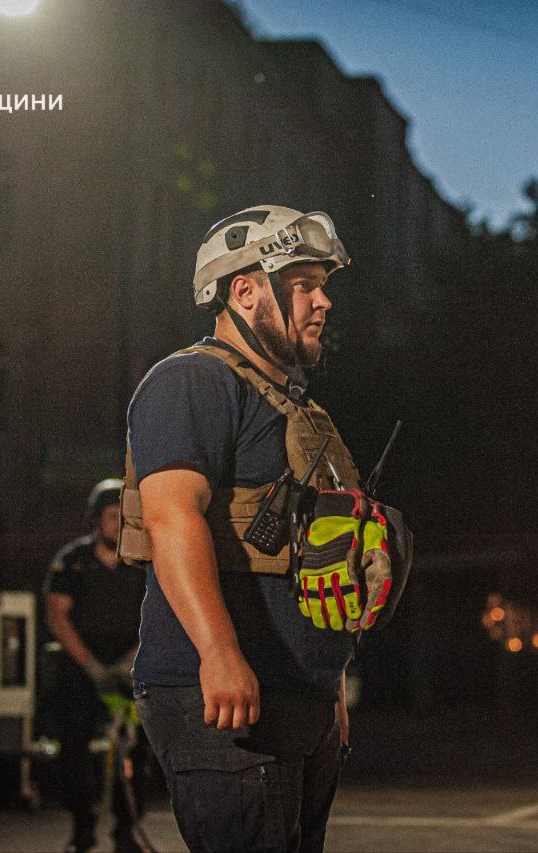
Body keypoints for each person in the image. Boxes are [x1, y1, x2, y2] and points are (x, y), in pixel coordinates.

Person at [123, 205, 386, 852]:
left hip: (298, 698)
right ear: (245, 289)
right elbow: (171, 517)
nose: (324, 302)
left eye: (324, 285)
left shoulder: (298, 410)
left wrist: (330, 686)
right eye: (304, 285)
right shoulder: (191, 381)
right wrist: (218, 651)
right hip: (221, 694)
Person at [44, 478, 150, 853]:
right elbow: (58, 616)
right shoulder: (72, 561)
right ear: (95, 519)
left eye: (123, 517)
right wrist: (91, 667)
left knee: (136, 752)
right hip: (82, 666)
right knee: (73, 749)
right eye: (110, 516)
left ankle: (127, 833)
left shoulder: (142, 563)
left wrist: (131, 660)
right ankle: (82, 830)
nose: (117, 524)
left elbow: (157, 614)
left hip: (130, 667)